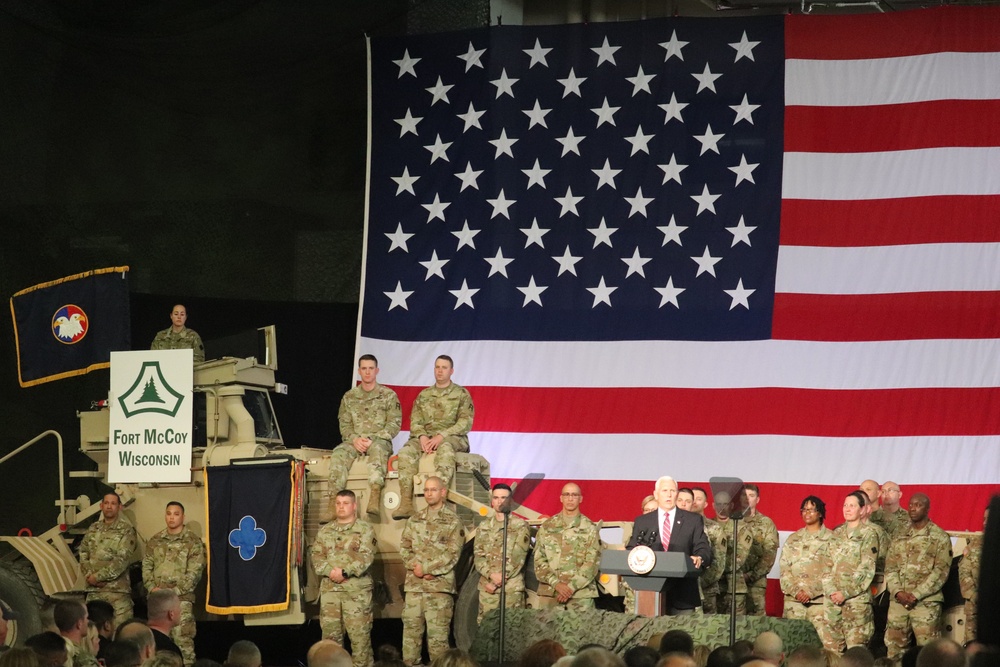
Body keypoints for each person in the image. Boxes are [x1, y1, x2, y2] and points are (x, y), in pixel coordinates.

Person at [393, 356, 474, 520]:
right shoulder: (424, 395)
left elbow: (465, 422)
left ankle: (440, 502)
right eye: (437, 367)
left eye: (444, 367)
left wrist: (442, 436)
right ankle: (406, 503)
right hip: (425, 438)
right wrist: (422, 436)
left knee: (445, 449)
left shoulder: (461, 394)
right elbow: (415, 421)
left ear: (451, 371)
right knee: (406, 452)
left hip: (452, 437)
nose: (440, 370)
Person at [399, 476, 465, 666]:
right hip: (415, 587)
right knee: (410, 640)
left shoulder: (453, 521)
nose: (429, 493)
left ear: (443, 492)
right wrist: (416, 568)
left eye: (433, 490)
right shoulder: (414, 519)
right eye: (426, 490)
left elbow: (453, 554)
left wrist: (427, 569)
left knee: (438, 642)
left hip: (439, 589)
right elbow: (404, 548)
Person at [328, 354, 402, 517]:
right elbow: (345, 425)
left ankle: (374, 497)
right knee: (338, 453)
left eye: (371, 368)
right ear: (359, 371)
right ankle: (333, 500)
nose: (367, 372)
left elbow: (394, 424)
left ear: (377, 370)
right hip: (354, 441)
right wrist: (354, 439)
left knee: (378, 451)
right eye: (364, 369)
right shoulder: (349, 397)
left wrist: (373, 439)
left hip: (379, 441)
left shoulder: (389, 395)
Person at [311, 490, 377, 667]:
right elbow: (316, 556)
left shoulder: (365, 530)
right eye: (338, 503)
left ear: (354, 506)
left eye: (346, 503)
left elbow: (366, 557)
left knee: (360, 643)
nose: (341, 507)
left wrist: (345, 572)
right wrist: (330, 571)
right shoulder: (325, 531)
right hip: (331, 594)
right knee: (330, 645)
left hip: (356, 594)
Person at [627, 477, 711, 614]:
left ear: (677, 494)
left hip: (683, 592)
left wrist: (699, 557)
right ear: (656, 494)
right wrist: (627, 553)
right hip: (649, 591)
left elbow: (703, 547)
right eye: (665, 490)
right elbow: (633, 548)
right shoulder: (643, 521)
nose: (669, 494)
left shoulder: (692, 520)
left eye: (673, 490)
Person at [883, 493, 952, 661]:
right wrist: (898, 592)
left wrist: (916, 595)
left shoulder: (939, 537)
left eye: (918, 505)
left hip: (925, 603)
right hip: (898, 603)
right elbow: (890, 568)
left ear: (927, 509)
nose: (913, 508)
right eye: (911, 505)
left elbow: (940, 572)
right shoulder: (899, 536)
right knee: (894, 651)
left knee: (928, 653)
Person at [142, 501, 205, 665]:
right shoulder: (156, 540)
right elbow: (147, 566)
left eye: (176, 514)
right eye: (169, 513)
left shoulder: (192, 541)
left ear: (183, 517)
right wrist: (151, 588)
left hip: (180, 602)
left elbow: (195, 572)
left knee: (183, 645)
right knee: (158, 646)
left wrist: (172, 593)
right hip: (157, 601)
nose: (172, 517)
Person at [825, 491, 880, 652]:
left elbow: (867, 570)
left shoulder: (869, 534)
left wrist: (845, 592)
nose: (847, 509)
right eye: (845, 505)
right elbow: (826, 566)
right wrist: (831, 592)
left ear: (862, 510)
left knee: (856, 653)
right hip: (833, 603)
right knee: (833, 653)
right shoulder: (836, 534)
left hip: (856, 602)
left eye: (852, 505)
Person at [534, 483, 601, 609]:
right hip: (551, 594)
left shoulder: (590, 528)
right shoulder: (548, 526)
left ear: (580, 499)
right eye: (567, 494)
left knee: (581, 629)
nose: (570, 498)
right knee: (547, 629)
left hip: (580, 596)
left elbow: (592, 563)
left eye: (574, 495)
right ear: (561, 498)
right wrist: (556, 584)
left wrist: (571, 587)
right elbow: (539, 560)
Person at [779, 496, 834, 644]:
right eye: (804, 509)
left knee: (822, 648)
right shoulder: (793, 539)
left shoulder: (832, 538)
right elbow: (784, 569)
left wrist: (811, 592)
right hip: (793, 604)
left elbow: (833, 571)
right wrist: (796, 591)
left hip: (820, 604)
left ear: (820, 513)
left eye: (811, 509)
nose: (807, 513)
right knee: (791, 645)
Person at [473, 483, 530, 624]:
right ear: (492, 501)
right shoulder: (484, 527)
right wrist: (491, 575)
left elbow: (518, 558)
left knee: (513, 633)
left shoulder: (520, 526)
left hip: (511, 590)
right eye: (496, 498)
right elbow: (478, 556)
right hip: (488, 590)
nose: (500, 501)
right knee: (486, 633)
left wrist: (497, 582)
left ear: (510, 500)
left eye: (504, 498)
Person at [79, 492, 137, 627]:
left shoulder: (126, 531)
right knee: (92, 635)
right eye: (106, 503)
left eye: (113, 503)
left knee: (120, 633)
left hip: (116, 593)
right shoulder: (94, 528)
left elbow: (122, 560)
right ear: (101, 506)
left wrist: (98, 577)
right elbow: (83, 553)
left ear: (119, 507)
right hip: (94, 593)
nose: (109, 506)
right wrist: (89, 576)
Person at [713, 490, 754, 615]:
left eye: (725, 504)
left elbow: (741, 556)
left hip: (735, 587)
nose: (722, 507)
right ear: (713, 505)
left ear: (731, 506)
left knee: (737, 628)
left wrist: (717, 568)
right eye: (719, 504)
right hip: (713, 587)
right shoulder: (707, 525)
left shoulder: (741, 527)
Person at [741, 484, 778, 616]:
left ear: (757, 499)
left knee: (755, 625)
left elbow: (769, 555)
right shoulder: (732, 521)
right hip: (730, 584)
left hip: (755, 584)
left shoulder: (766, 523)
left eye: (751, 496)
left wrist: (750, 575)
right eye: (744, 496)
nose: (747, 499)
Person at [690, 487, 725, 615]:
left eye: (698, 499)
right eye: (692, 498)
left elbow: (718, 564)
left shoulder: (714, 528)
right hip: (687, 588)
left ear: (705, 504)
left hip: (707, 589)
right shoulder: (680, 525)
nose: (694, 502)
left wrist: (699, 583)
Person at [959, 507, 987, 644]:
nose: (986, 523)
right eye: (984, 519)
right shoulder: (975, 543)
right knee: (973, 648)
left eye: (990, 518)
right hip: (975, 606)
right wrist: (974, 595)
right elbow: (964, 570)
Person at [54, 600, 98, 667]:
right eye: (86, 618)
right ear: (79, 624)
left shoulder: (50, 652)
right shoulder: (84, 659)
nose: (88, 621)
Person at [145, 590, 183, 661]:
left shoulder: (137, 639)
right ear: (171, 614)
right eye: (178, 607)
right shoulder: (170, 651)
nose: (180, 610)